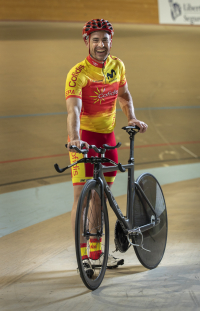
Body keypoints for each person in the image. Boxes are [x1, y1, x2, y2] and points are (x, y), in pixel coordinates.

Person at [65, 19, 148, 276]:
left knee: (100, 197)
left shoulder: (117, 65)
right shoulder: (78, 73)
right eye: (96, 40)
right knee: (82, 197)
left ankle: (97, 252)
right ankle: (83, 257)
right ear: (87, 42)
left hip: (108, 139)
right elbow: (74, 111)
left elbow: (124, 95)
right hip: (85, 139)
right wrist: (75, 137)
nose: (101, 45)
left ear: (111, 41)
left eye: (105, 39)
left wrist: (131, 117)